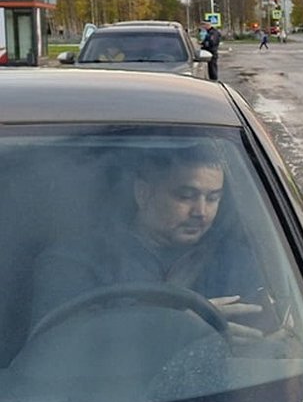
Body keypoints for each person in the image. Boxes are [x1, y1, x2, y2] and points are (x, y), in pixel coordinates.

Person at [30, 143, 268, 339]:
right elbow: (58, 349)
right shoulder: (76, 262)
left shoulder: (235, 261)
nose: (201, 211)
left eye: (213, 198)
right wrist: (176, 329)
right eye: (185, 196)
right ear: (143, 194)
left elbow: (267, 338)